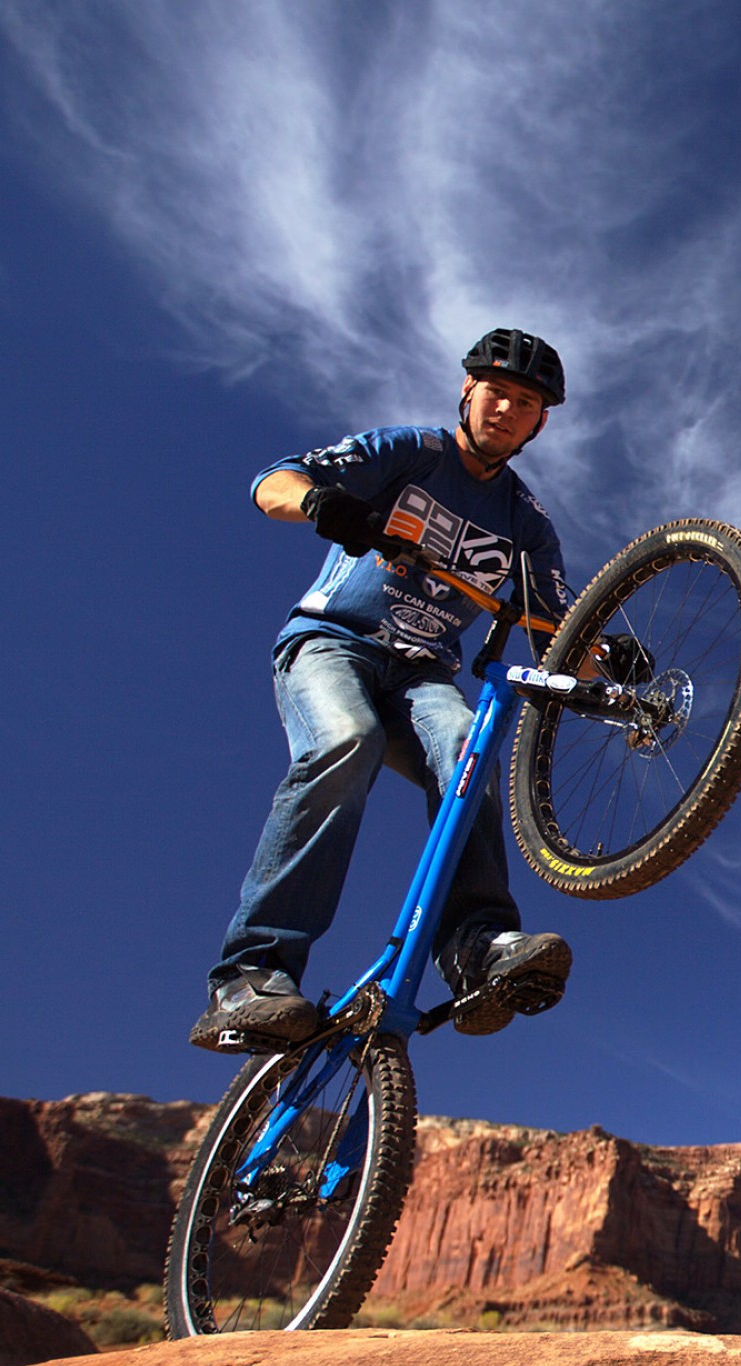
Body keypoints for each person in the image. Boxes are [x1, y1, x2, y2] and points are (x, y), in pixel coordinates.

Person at [191, 329, 578, 1053]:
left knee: (470, 751)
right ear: (468, 392)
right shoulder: (412, 452)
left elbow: (558, 625)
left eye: (525, 403)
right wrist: (326, 508)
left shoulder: (527, 523)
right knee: (347, 743)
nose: (506, 409)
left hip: (423, 673)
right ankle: (252, 974)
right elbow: (274, 481)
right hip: (332, 643)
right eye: (496, 392)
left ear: (540, 423)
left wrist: (611, 661)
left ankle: (476, 949)